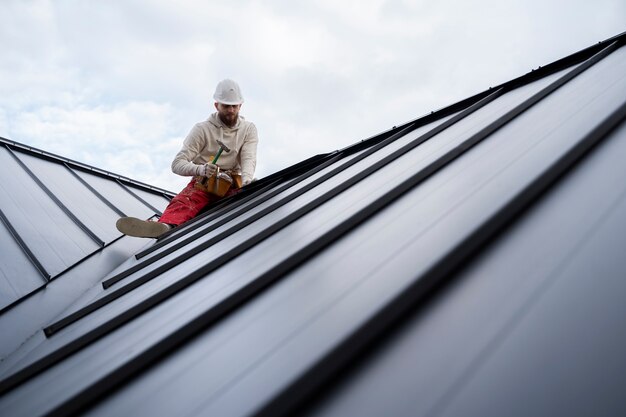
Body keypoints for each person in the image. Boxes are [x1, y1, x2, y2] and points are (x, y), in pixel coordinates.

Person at [116, 79, 258, 238]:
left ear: (240, 105)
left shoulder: (248, 129)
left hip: (231, 184)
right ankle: (163, 226)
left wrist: (247, 181)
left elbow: (248, 157)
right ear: (216, 105)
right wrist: (201, 169)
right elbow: (177, 164)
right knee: (186, 202)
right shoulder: (202, 129)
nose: (231, 110)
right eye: (226, 106)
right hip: (205, 183)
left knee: (249, 202)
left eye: (234, 106)